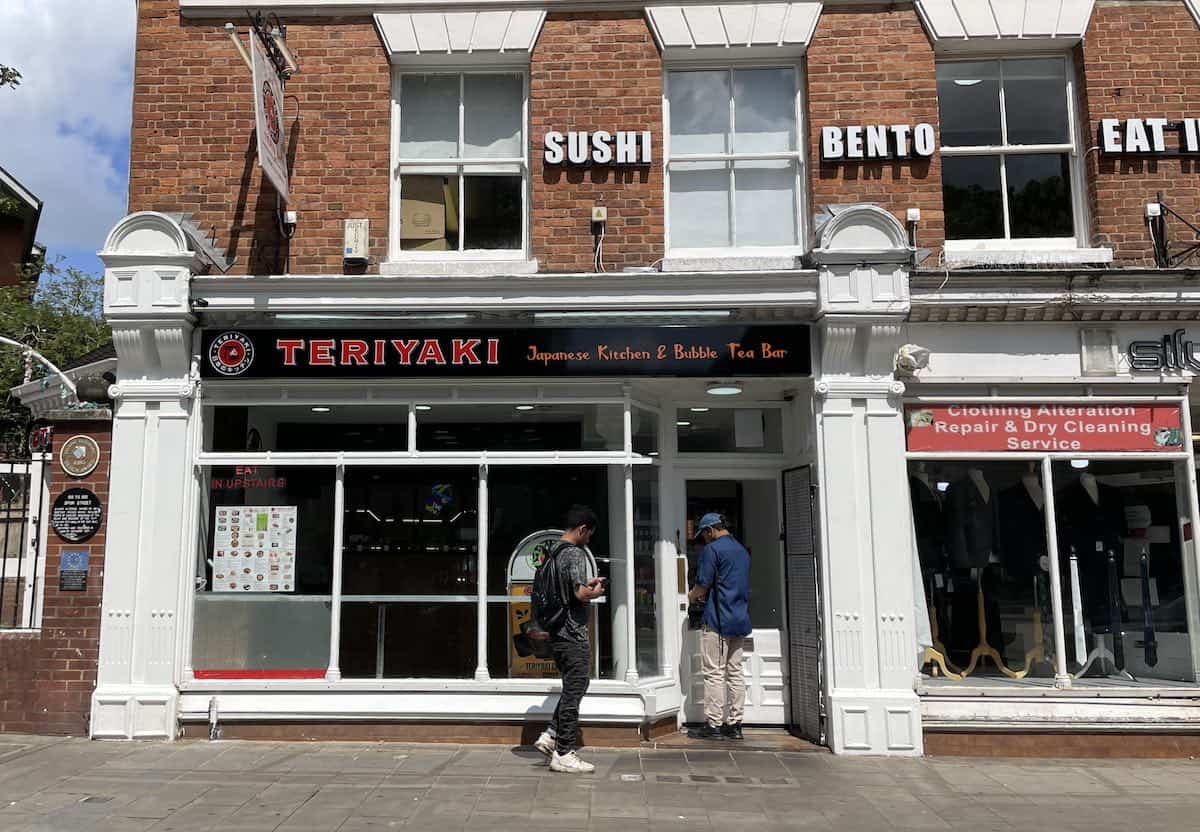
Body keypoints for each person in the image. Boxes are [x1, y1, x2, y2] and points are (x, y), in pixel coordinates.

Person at [533, 505, 607, 773]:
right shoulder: (574, 553)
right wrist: (595, 590)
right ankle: (564, 753)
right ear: (582, 529)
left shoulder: (554, 552)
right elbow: (580, 594)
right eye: (589, 534)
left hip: (555, 632)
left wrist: (584, 585)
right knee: (576, 689)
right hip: (571, 633)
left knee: (573, 686)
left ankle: (551, 735)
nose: (589, 539)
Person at [687, 512, 752, 740]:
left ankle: (713, 725)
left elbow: (702, 586)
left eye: (703, 535)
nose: (704, 540)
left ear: (710, 530)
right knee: (735, 672)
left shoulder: (712, 550)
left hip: (718, 619)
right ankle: (735, 724)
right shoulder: (741, 551)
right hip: (739, 618)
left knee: (714, 672)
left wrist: (691, 596)